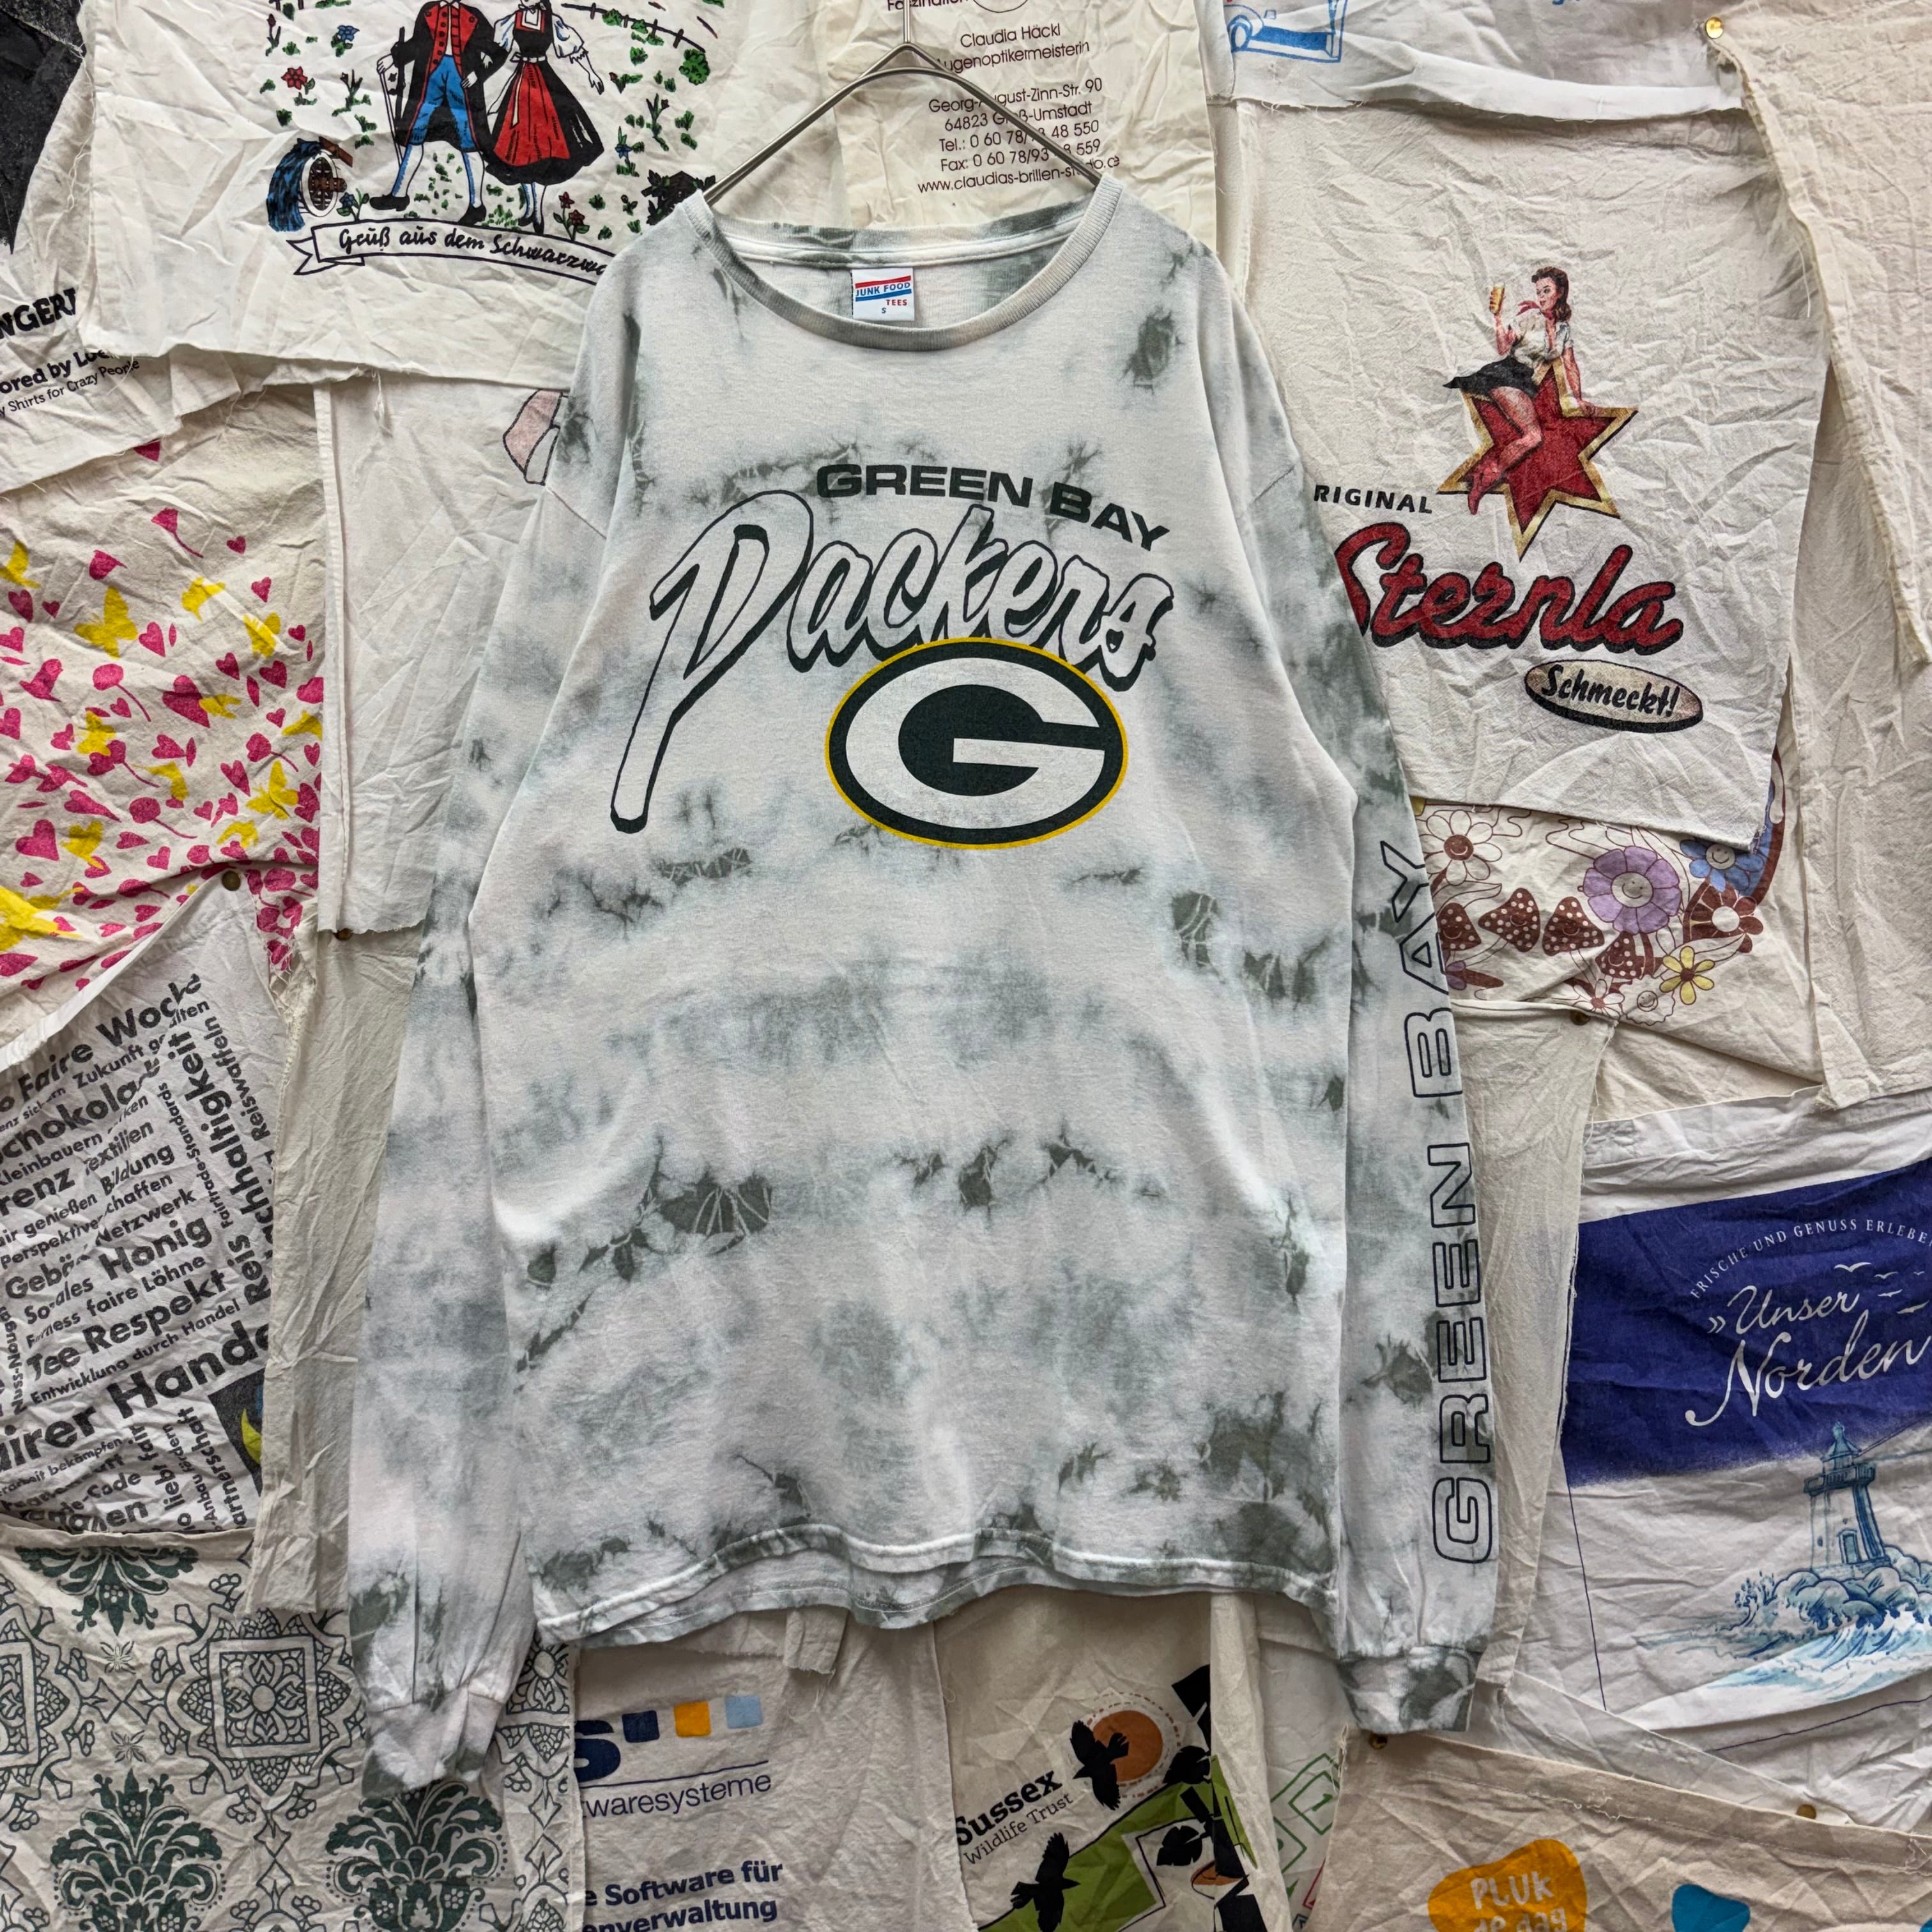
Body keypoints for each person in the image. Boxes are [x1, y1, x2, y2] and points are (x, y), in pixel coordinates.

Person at [1446, 267, 1588, 512]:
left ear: (1560, 292)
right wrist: (1498, 318)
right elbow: (1503, 347)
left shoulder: (1564, 330)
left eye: (1547, 291)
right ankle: (1484, 480)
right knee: (1533, 436)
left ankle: (1485, 475)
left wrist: (1579, 399)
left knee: (1534, 437)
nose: (1541, 297)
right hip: (1507, 374)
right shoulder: (1530, 318)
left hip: (1526, 382)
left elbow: (1570, 365)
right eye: (1539, 292)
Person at [368, 0, 507, 224]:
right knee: (415, 134)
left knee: (469, 140)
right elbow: (417, 44)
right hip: (429, 81)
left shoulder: (474, 16)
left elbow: (498, 53)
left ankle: (477, 206)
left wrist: (478, 75)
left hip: (462, 83)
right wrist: (394, 58)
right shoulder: (429, 11)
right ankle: (399, 195)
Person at [484, 1, 604, 235]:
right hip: (521, 86)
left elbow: (573, 49)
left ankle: (538, 209)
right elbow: (496, 49)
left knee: (546, 146)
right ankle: (530, 206)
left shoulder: (551, 21)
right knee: (518, 148)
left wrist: (591, 73)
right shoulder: (513, 19)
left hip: (545, 85)